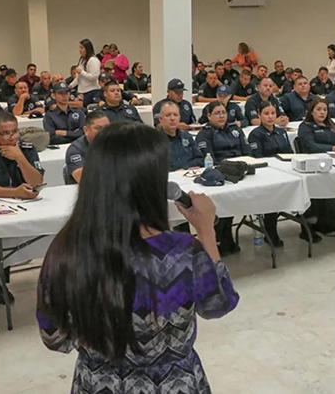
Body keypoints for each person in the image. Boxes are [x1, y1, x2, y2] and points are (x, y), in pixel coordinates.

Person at [38, 121, 238, 394]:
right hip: (173, 384)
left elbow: (55, 339)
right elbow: (219, 303)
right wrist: (205, 230)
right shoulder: (181, 252)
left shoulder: (66, 250)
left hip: (98, 384)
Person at [0, 111, 45, 305]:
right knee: (1, 236)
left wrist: (20, 158)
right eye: (5, 133)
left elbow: (37, 180)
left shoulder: (27, 149)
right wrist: (15, 192)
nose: (11, 137)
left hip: (28, 205)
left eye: (14, 132)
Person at [195, 101, 250, 255]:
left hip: (239, 171)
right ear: (209, 116)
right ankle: (220, 237)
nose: (221, 116)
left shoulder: (234, 129)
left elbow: (246, 151)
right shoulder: (205, 134)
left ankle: (227, 235)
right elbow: (208, 159)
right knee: (224, 201)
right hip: (221, 174)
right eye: (217, 113)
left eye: (224, 112)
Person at [297, 99, 335, 241]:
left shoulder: (332, 125)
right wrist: (332, 148)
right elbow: (309, 146)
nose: (322, 112)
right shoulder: (305, 126)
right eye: (318, 109)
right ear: (312, 111)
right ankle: (311, 220)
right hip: (314, 165)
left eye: (325, 110)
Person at [247, 101, 292, 247]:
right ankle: (270, 229)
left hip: (285, 169)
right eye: (266, 113)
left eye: (273, 113)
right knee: (274, 193)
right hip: (267, 172)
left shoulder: (281, 132)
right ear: (259, 115)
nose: (270, 117)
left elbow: (289, 152)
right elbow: (257, 157)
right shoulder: (255, 134)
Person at [64, 110, 110, 184]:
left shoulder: (116, 143)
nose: (104, 131)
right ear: (86, 130)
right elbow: (84, 180)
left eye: (107, 127)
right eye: (98, 128)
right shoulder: (76, 149)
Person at [158, 102, 203, 172]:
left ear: (179, 118)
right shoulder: (154, 141)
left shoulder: (187, 136)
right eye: (168, 115)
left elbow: (199, 158)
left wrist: (185, 168)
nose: (172, 118)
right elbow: (154, 166)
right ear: (160, 119)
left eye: (175, 115)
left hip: (189, 175)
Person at [72, 39, 102, 106]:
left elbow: (94, 77)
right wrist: (70, 86)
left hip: (91, 91)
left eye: (82, 48)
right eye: (79, 47)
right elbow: (79, 77)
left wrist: (82, 72)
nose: (80, 50)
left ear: (87, 48)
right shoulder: (82, 59)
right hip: (82, 91)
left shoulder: (93, 60)